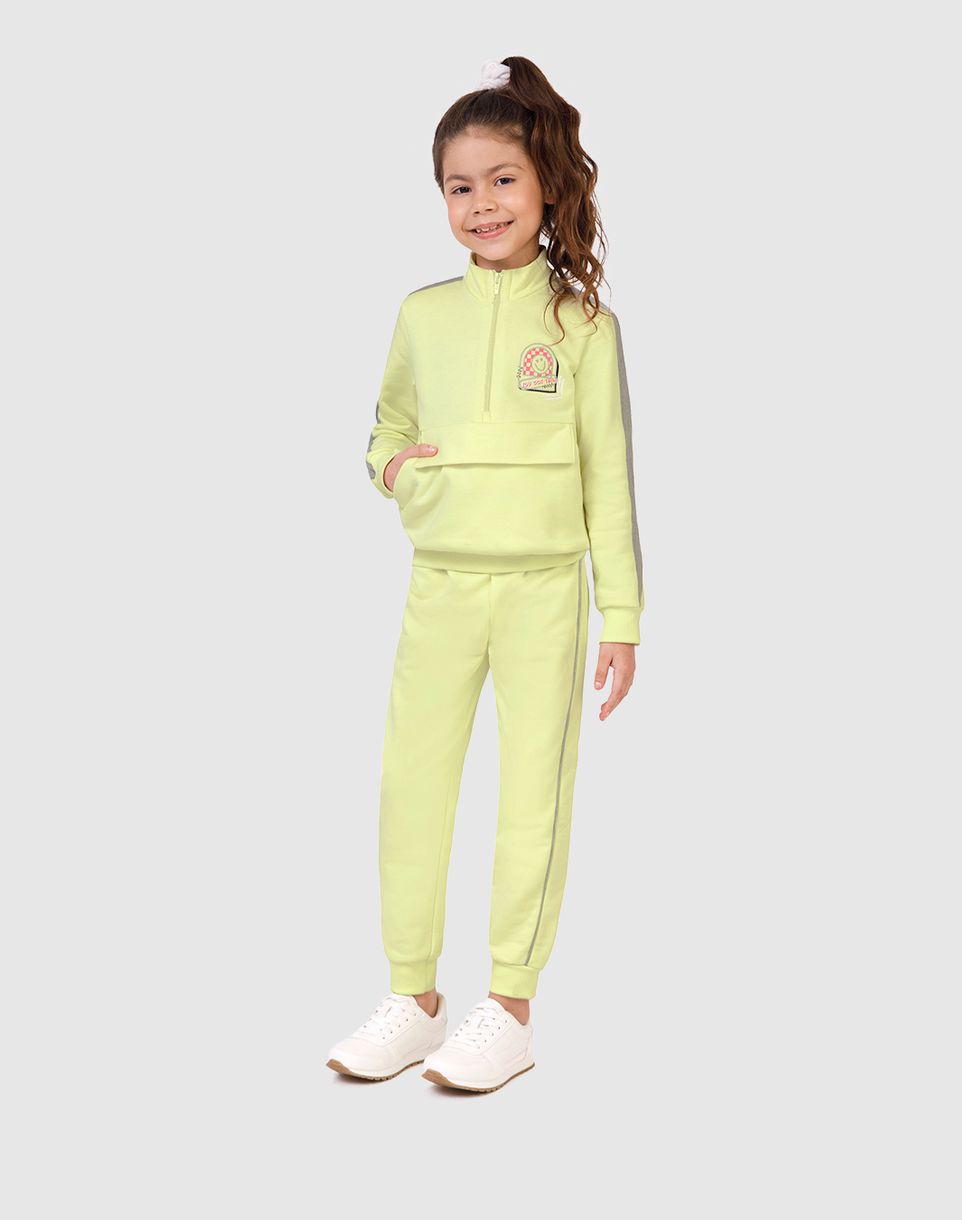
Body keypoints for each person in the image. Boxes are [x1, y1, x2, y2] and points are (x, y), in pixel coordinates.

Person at [327, 56, 645, 1093]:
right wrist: (395, 471)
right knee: (410, 783)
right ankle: (412, 997)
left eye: (502, 179)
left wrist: (622, 615)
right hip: (441, 583)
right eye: (459, 186)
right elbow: (385, 429)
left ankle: (508, 1006)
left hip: (547, 590)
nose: (482, 203)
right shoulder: (423, 314)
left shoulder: (583, 325)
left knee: (531, 793)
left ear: (545, 182)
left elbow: (609, 477)